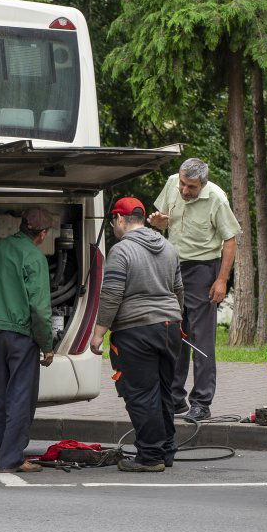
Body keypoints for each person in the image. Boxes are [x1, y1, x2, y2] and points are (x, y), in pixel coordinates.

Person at [90, 197, 184, 472]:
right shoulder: (168, 247)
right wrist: (176, 319)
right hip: (169, 328)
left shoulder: (122, 251)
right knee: (164, 391)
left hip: (135, 331)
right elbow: (179, 289)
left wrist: (98, 334)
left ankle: (150, 456)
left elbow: (111, 295)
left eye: (114, 222)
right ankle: (166, 450)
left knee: (142, 395)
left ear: (120, 220)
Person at [148, 157, 240, 421]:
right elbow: (165, 223)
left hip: (203, 270)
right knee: (175, 334)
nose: (185, 191)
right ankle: (175, 398)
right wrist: (159, 222)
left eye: (191, 187)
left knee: (201, 339)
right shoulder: (172, 184)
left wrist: (221, 280)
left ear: (203, 183)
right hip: (172, 267)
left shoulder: (217, 199)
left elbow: (230, 239)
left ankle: (201, 401)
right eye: (183, 184)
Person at [0, 207, 56, 473]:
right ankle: (12, 459)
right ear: (42, 234)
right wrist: (47, 345)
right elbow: (39, 308)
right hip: (20, 336)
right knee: (20, 396)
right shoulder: (34, 257)